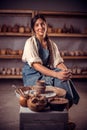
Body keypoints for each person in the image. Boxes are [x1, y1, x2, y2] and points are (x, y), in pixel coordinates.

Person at [22, 14, 80, 108]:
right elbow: (36, 65)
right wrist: (56, 74)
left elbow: (58, 62)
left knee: (63, 78)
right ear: (33, 28)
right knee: (57, 76)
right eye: (37, 25)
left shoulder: (51, 44)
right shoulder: (30, 42)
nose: (40, 27)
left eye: (42, 24)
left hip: (45, 72)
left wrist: (65, 71)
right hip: (32, 74)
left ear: (46, 25)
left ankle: (64, 109)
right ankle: (58, 107)